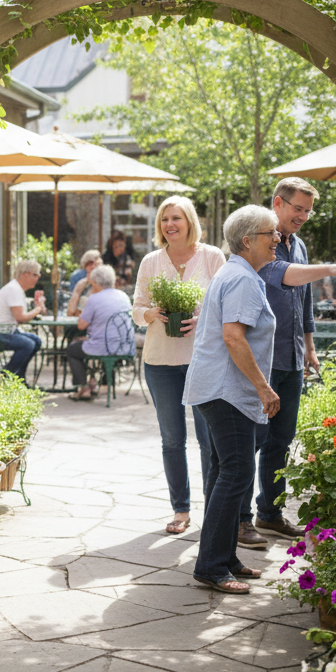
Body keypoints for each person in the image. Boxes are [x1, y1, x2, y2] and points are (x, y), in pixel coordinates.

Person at [184, 205, 336, 593]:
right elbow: (233, 337)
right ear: (248, 241)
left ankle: (223, 558)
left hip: (216, 389)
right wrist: (264, 387)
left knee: (225, 474)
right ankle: (212, 566)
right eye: (271, 234)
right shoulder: (243, 279)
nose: (278, 239)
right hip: (225, 391)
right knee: (235, 475)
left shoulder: (237, 271)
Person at [239, 178, 336, 549]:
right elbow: (284, 277)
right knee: (253, 440)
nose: (304, 216)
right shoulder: (260, 242)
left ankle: (270, 514)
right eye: (298, 209)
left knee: (281, 439)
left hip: (291, 357)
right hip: (260, 360)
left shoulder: (301, 245)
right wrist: (333, 268)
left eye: (308, 210)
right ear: (278, 203)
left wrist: (309, 346)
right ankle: (240, 520)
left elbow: (303, 300)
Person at [132, 196, 226, 535]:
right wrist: (149, 313)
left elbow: (224, 304)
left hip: (203, 361)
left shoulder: (212, 256)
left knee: (208, 440)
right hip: (160, 361)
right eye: (164, 219)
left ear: (190, 221)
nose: (169, 224)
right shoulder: (151, 261)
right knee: (172, 440)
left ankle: (213, 511)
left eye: (176, 218)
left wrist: (201, 320)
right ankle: (181, 510)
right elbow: (137, 308)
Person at [66, 264, 133, 400]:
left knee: (72, 349)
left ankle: (84, 388)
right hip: (124, 346)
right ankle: (92, 383)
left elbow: (81, 325)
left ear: (95, 282)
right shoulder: (123, 296)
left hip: (104, 347)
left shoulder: (95, 299)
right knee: (84, 343)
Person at [0, 260, 46, 383]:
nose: (38, 278)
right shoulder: (14, 290)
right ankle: (6, 375)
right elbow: (20, 317)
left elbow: (20, 317)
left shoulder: (16, 289)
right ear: (25, 274)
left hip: (7, 330)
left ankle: (19, 378)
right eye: (35, 275)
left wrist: (37, 308)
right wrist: (38, 309)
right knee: (28, 344)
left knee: (36, 341)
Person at [66, 249, 102, 314]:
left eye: (96, 265)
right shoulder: (81, 283)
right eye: (90, 264)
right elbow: (70, 312)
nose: (93, 267)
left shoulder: (104, 284)